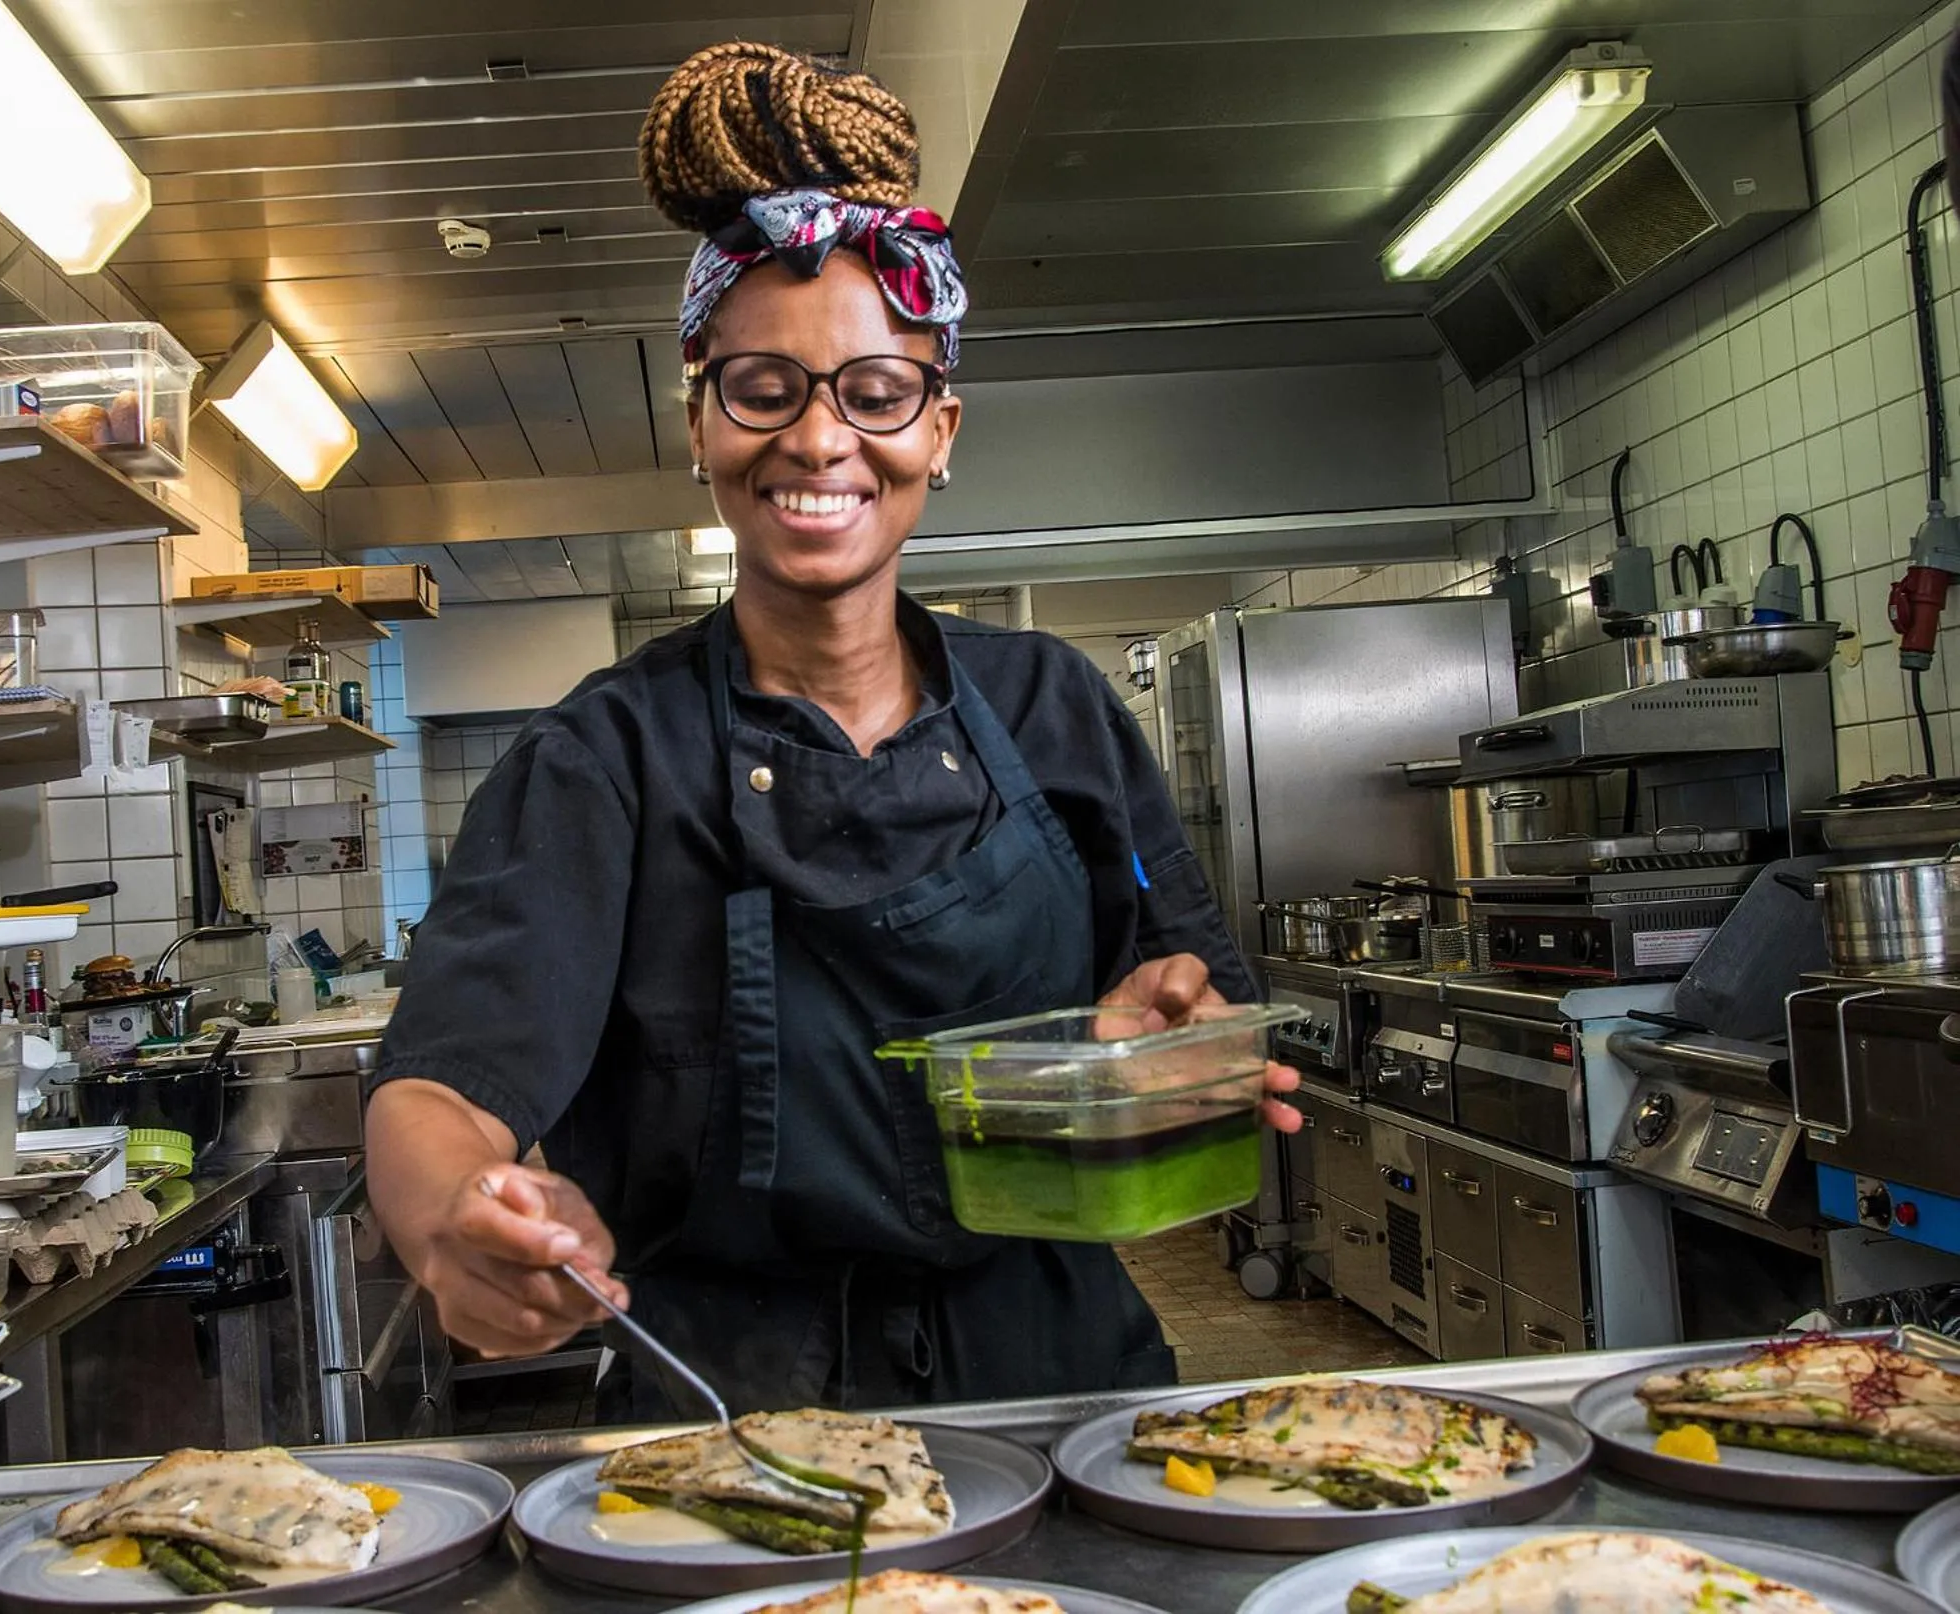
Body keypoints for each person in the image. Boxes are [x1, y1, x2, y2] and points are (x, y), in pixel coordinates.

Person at [364, 40, 1301, 1421]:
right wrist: (457, 1216)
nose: (819, 439)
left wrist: (1158, 1051)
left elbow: (1193, 1012)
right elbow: (435, 1086)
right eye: (763, 387)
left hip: (1055, 1389)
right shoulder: (600, 761)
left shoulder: (1054, 709)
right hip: (726, 1421)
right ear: (700, 419)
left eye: (875, 390)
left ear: (939, 427)